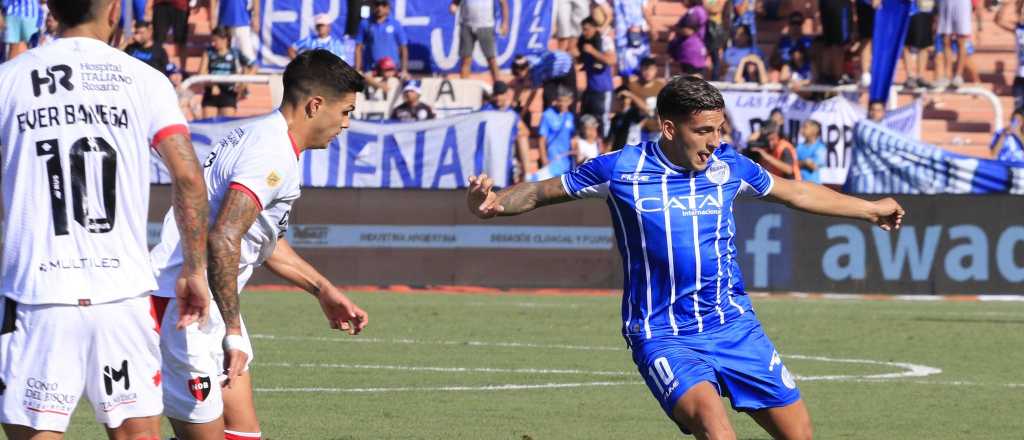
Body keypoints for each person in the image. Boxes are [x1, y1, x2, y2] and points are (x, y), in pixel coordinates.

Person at [465, 75, 905, 440]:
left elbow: (798, 192)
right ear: (671, 129)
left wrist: (869, 209)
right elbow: (541, 191)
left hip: (735, 327)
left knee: (801, 437)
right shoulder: (620, 169)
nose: (716, 141)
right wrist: (495, 202)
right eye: (704, 131)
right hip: (664, 336)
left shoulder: (730, 167)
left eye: (720, 129)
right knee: (718, 432)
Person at [0, 0, 212, 437]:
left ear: (50, 12)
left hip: (38, 293)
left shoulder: (8, 80)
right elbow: (190, 177)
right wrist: (194, 269)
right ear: (114, 10)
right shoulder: (146, 81)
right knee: (139, 433)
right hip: (123, 294)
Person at [150, 49, 369, 440]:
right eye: (346, 111)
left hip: (207, 304)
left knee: (243, 433)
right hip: (184, 309)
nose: (346, 124)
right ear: (316, 105)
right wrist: (232, 330)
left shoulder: (264, 136)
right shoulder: (271, 152)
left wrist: (322, 290)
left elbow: (258, 239)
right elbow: (224, 236)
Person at [200, 26, 255, 119]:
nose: (213, 43)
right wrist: (212, 85)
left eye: (216, 40)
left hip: (229, 93)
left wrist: (243, 83)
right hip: (211, 92)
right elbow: (201, 73)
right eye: (212, 40)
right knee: (208, 125)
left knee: (226, 126)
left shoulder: (235, 53)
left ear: (225, 39)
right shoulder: (208, 52)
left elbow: (253, 66)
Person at [483, 80, 534, 181]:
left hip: (506, 149)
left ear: (506, 95)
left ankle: (527, 174)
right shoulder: (486, 110)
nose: (498, 98)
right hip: (489, 149)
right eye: (496, 95)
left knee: (521, 136)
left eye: (501, 95)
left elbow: (525, 132)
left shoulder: (511, 114)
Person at [450, 0, 509, 83]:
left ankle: (497, 88)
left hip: (486, 26)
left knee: (491, 59)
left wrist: (505, 23)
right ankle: (464, 88)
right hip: (466, 26)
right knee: (466, 59)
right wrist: (453, 6)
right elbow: (455, 2)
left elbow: (503, 3)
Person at [578, 16, 616, 137]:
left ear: (595, 28)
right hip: (590, 90)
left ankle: (604, 151)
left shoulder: (604, 40)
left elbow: (611, 60)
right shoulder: (584, 41)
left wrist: (592, 51)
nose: (584, 32)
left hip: (603, 91)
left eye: (587, 29)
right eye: (583, 29)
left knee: (602, 122)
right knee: (585, 120)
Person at [355, 0, 409, 79]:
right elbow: (358, 48)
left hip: (391, 71)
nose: (380, 7)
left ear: (388, 7)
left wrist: (404, 70)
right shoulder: (365, 23)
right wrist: (357, 69)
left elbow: (403, 48)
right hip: (371, 71)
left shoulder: (396, 24)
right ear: (372, 5)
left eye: (383, 4)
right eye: (377, 4)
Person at [536, 87, 576, 179]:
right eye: (560, 100)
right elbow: (542, 140)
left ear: (570, 101)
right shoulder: (547, 115)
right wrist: (544, 159)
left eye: (565, 101)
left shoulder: (570, 116)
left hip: (567, 164)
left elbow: (573, 139)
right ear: (556, 100)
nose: (562, 104)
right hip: (552, 161)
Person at [290, 13, 355, 64]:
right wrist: (299, 63)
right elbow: (291, 49)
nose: (320, 28)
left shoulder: (336, 43)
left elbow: (342, 61)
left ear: (329, 27)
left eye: (323, 25)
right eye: (318, 25)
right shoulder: (309, 40)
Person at [628, 57, 667, 141]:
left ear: (656, 70)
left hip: (656, 130)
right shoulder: (633, 86)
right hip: (637, 130)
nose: (648, 73)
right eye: (645, 69)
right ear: (640, 69)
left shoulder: (661, 86)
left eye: (651, 69)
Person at [210, 0, 260, 66]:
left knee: (247, 52)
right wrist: (213, 18)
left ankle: (250, 72)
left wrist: (256, 17)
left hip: (242, 18)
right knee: (224, 52)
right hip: (223, 18)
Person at [936, 0, 973, 87]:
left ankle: (958, 76)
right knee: (945, 39)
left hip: (961, 3)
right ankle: (947, 75)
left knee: (961, 40)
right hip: (945, 3)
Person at [995, 0, 1024, 108]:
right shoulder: (1018, 29)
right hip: (1020, 77)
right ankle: (1015, 124)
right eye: (1021, 11)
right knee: (1018, 111)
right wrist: (1004, 6)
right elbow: (998, 21)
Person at [669, 0, 708, 76]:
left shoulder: (694, 11)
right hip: (692, 51)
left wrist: (674, 28)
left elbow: (688, 31)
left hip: (691, 52)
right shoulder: (697, 10)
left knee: (692, 80)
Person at [150, 0, 190, 74]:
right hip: (161, 4)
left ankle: (183, 71)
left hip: (181, 4)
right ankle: (157, 68)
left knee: (181, 39)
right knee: (158, 39)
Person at [855, 0, 880, 86]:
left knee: (881, 40)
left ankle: (878, 71)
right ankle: (865, 73)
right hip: (866, 4)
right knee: (866, 38)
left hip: (886, 7)